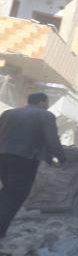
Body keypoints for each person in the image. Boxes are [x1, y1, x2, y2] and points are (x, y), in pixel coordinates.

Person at [0, 92, 66, 238]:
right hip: (25, 159)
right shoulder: (45, 115)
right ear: (42, 102)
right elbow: (52, 141)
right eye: (47, 103)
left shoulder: (8, 113)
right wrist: (62, 159)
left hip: (3, 157)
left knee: (7, 191)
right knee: (16, 195)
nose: (48, 106)